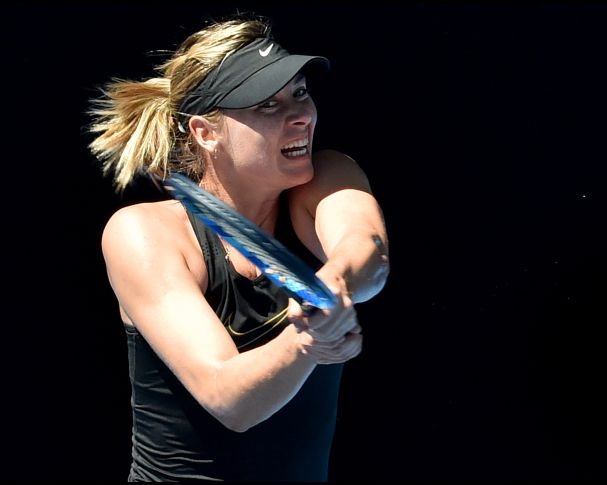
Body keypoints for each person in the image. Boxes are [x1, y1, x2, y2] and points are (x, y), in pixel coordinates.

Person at [86, 14, 389, 482]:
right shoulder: (143, 233)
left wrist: (332, 285)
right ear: (206, 132)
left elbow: (367, 251)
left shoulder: (324, 178)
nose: (301, 115)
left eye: (301, 93)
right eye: (268, 104)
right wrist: (308, 341)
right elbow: (230, 400)